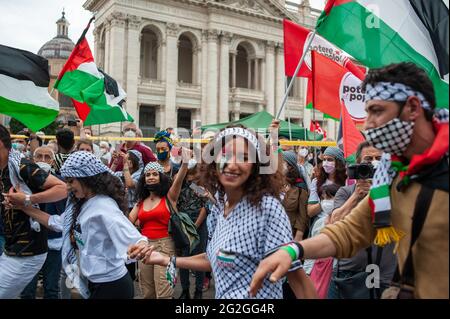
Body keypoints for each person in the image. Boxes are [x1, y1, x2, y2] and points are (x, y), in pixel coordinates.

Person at [249, 62, 449, 299]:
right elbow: (349, 231)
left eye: (377, 111)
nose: (368, 124)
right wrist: (293, 250)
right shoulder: (394, 176)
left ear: (413, 107)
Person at [131, 125, 315, 299]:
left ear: (255, 166)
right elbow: (214, 259)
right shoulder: (221, 205)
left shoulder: (267, 208)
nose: (232, 164)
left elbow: (297, 279)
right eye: (225, 155)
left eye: (243, 157)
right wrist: (166, 259)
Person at [16, 151, 150, 299]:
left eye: (71, 181)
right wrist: (23, 206)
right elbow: (57, 223)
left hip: (112, 287)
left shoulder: (103, 206)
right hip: (96, 283)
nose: (67, 187)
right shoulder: (80, 203)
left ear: (87, 179)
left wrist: (141, 245)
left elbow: (134, 237)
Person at [0, 125, 67, 299]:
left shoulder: (22, 166)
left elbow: (62, 189)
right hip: (10, 248)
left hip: (29, 250)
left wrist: (27, 200)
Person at [327, 141, 397, 299]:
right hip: (347, 276)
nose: (373, 163)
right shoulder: (346, 192)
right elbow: (333, 224)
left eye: (378, 158)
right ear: (358, 165)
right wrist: (356, 195)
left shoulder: (394, 192)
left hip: (384, 278)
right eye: (368, 160)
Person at [127, 148, 190, 299]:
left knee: (164, 293)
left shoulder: (170, 197)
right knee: (147, 292)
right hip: (144, 247)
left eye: (155, 174)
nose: (151, 177)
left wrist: (185, 163)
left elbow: (180, 178)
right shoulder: (141, 201)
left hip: (165, 247)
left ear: (162, 177)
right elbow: (128, 222)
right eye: (147, 175)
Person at [21, 146, 67, 299]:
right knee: (27, 288)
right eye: (39, 157)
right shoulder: (23, 183)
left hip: (53, 240)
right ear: (33, 161)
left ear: (53, 162)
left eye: (47, 157)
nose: (43, 160)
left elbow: (64, 212)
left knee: (51, 286)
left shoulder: (61, 183)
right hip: (29, 241)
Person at [176, 161, 208, 299]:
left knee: (199, 257)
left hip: (198, 225)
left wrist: (195, 225)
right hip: (183, 223)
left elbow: (205, 207)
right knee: (184, 257)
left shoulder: (198, 186)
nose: (191, 177)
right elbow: (174, 204)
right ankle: (185, 290)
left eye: (192, 173)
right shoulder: (179, 185)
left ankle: (198, 291)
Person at [307, 147, 346, 236]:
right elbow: (310, 212)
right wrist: (324, 203)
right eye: (324, 159)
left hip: (341, 224)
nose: (326, 163)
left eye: (330, 160)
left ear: (339, 162)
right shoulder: (316, 182)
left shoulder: (347, 182)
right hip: (321, 226)